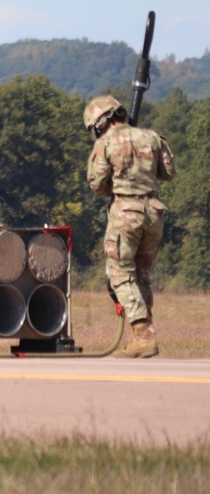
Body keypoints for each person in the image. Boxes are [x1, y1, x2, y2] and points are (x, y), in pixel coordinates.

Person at [84, 95, 175, 358]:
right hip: (154, 213)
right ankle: (142, 336)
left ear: (100, 123)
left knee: (121, 274)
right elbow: (168, 172)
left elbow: (98, 185)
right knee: (142, 275)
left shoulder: (105, 143)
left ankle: (143, 335)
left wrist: (121, 178)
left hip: (126, 212)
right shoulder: (151, 137)